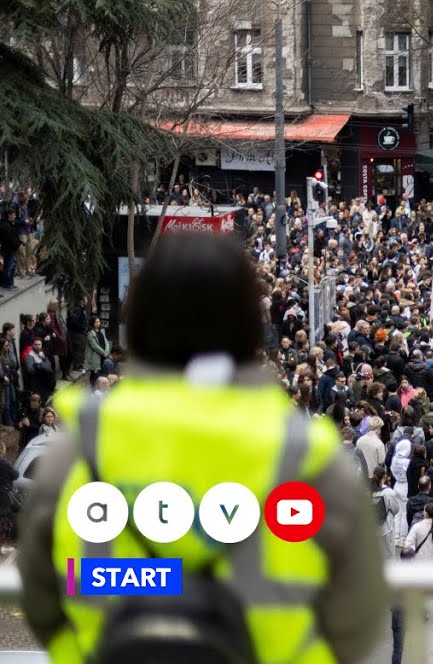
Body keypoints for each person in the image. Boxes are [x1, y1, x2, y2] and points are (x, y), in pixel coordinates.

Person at [17, 232, 387, 663]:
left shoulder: (77, 452)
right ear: (251, 326)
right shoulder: (312, 460)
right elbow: (358, 615)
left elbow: (42, 598)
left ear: (137, 323)